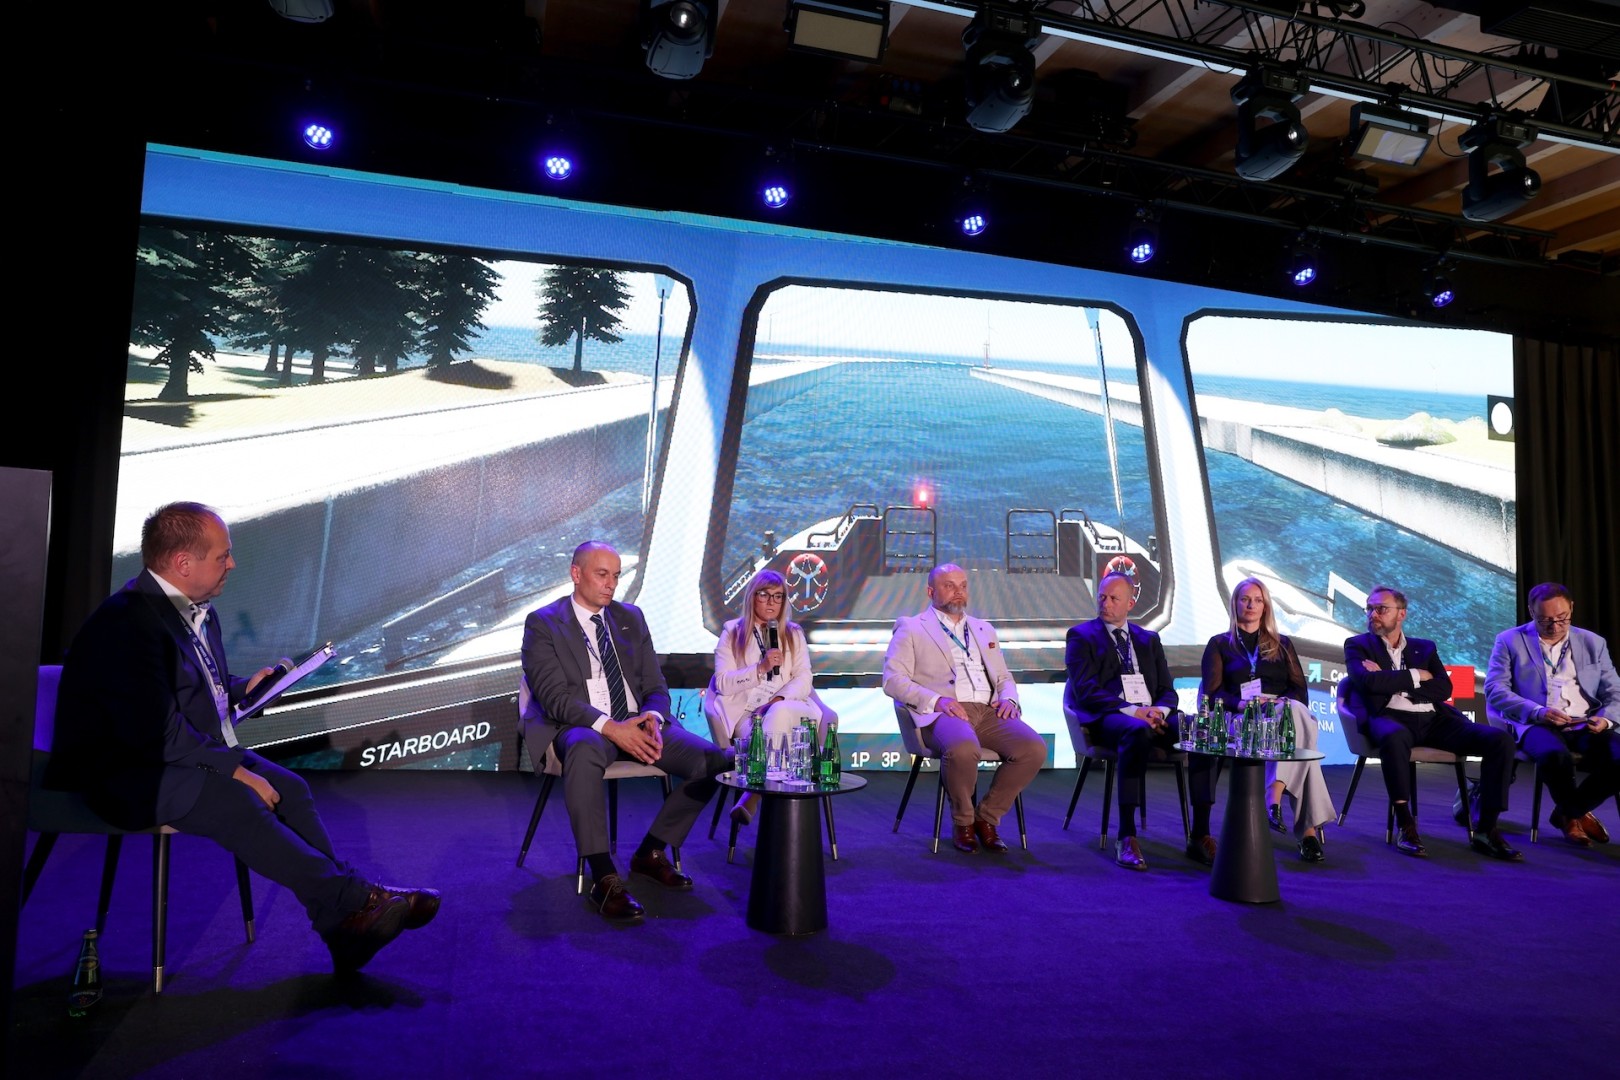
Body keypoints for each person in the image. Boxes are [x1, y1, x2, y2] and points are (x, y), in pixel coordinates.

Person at [46, 502, 439, 974]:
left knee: (291, 790)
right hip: (123, 773)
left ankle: (342, 927)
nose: (232, 564)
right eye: (223, 556)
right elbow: (155, 730)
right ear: (183, 563)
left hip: (169, 754)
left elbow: (190, 693)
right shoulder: (126, 624)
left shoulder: (195, 612)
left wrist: (241, 689)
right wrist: (234, 771)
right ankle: (356, 901)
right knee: (240, 798)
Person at [520, 540, 729, 923]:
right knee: (583, 748)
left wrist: (652, 717)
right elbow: (554, 699)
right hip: (582, 726)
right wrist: (613, 728)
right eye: (602, 574)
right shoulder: (543, 623)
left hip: (637, 724)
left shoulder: (630, 617)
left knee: (714, 761)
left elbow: (655, 685)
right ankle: (604, 877)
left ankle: (651, 852)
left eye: (616, 576)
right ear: (576, 573)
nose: (611, 584)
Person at [1342, 584, 1521, 860]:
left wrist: (1390, 679)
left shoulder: (1424, 647)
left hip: (1433, 719)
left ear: (1401, 614)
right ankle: (1406, 825)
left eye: (1381, 609)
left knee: (1500, 741)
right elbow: (1368, 682)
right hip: (1389, 717)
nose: (1372, 614)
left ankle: (1486, 829)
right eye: (1369, 608)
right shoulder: (1357, 645)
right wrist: (1417, 675)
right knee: (1393, 737)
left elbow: (1443, 689)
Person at [882, 564, 1044, 854]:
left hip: (988, 710)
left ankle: (986, 818)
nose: (958, 591)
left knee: (1033, 749)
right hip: (945, 710)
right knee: (963, 748)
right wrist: (937, 701)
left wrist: (1009, 699)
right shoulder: (912, 627)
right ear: (931, 591)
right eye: (949, 585)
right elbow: (893, 680)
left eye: (963, 585)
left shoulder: (984, 628)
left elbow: (1004, 677)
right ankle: (963, 822)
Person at [1065, 571, 1217, 871]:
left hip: (1153, 715)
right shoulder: (1081, 636)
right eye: (1102, 597)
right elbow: (1087, 691)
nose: (1105, 603)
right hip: (1111, 717)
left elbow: (1167, 690)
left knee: (1200, 730)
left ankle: (1200, 834)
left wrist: (1158, 711)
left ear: (1130, 604)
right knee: (1136, 731)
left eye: (1114, 598)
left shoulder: (1149, 639)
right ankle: (1126, 835)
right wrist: (1135, 712)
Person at [1199, 577, 1335, 862]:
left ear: (1266, 607)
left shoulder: (1282, 644)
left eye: (1258, 600)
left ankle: (1274, 798)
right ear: (1235, 603)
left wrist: (1277, 703)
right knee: (1303, 745)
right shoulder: (1219, 644)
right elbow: (1211, 694)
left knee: (1294, 712)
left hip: (1279, 714)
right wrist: (1241, 703)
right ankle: (1306, 831)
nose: (1251, 605)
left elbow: (1300, 691)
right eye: (1245, 599)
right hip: (1241, 718)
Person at [1485, 582, 1619, 847]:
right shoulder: (1510, 640)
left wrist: (1605, 719)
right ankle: (1573, 816)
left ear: (1571, 608)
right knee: (1553, 756)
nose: (1555, 626)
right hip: (1536, 723)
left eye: (1562, 618)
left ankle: (1569, 812)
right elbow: (1495, 689)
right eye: (1545, 620)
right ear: (1531, 611)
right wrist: (1538, 712)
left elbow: (1615, 691)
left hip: (1584, 722)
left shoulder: (1593, 642)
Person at [708, 568, 833, 828]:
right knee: (788, 738)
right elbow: (721, 683)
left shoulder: (794, 633)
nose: (771, 602)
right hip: (749, 715)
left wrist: (778, 700)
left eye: (778, 596)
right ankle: (786, 822)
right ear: (752, 597)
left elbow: (804, 678)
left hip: (792, 706)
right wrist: (760, 669)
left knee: (780, 713)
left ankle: (753, 797)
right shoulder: (732, 632)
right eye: (764, 595)